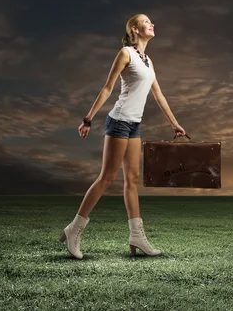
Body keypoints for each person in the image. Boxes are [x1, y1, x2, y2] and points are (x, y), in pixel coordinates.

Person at [58, 13, 186, 259]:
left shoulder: (148, 61)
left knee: (132, 180)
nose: (153, 24)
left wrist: (175, 124)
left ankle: (136, 236)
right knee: (107, 178)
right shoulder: (126, 53)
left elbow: (159, 95)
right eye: (147, 21)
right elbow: (108, 87)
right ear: (135, 29)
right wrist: (88, 118)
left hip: (134, 125)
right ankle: (75, 229)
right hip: (118, 122)